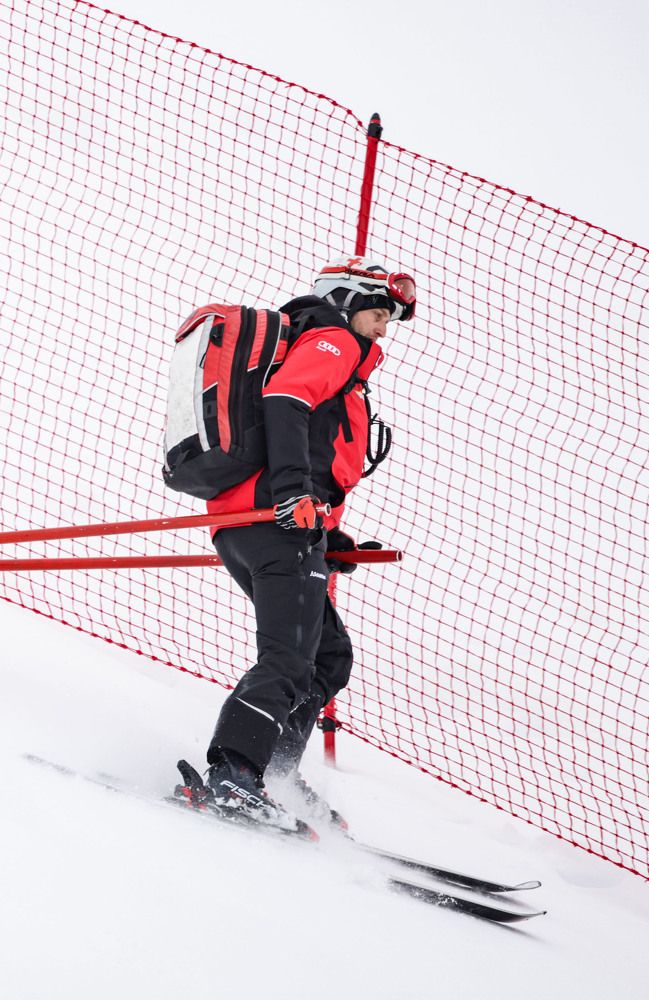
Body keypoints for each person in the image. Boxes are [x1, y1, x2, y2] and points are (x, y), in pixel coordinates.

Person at [197, 257, 415, 833]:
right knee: (291, 658)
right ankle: (235, 774)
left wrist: (327, 531)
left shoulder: (336, 348)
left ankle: (272, 771)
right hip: (274, 521)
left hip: (262, 522)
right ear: (347, 300)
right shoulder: (332, 338)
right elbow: (287, 402)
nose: (382, 327)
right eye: (377, 312)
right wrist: (294, 496)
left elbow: (315, 446)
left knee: (327, 655)